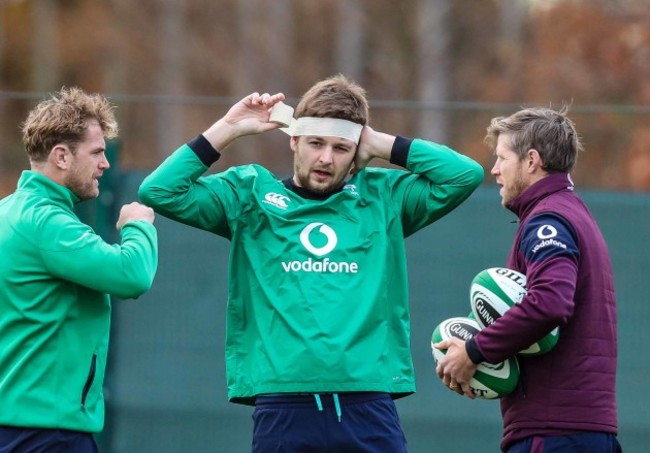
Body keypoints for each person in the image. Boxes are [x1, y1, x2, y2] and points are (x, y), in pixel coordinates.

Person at [139, 74, 484, 452]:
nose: (325, 158)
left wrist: (381, 143)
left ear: (357, 150)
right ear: (294, 139)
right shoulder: (250, 196)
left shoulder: (383, 197)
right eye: (316, 143)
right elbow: (159, 190)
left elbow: (464, 176)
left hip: (367, 401)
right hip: (284, 405)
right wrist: (228, 129)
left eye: (341, 147)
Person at [434, 107, 621, 452]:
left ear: (531, 160)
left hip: (554, 432)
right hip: (580, 429)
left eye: (502, 158)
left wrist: (474, 352)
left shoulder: (547, 220)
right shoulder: (572, 212)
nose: (494, 170)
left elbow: (550, 303)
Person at [0, 87, 158, 452]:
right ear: (61, 156)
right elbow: (131, 274)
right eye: (97, 152)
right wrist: (138, 225)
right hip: (45, 431)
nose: (105, 164)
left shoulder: (10, 211)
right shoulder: (47, 223)